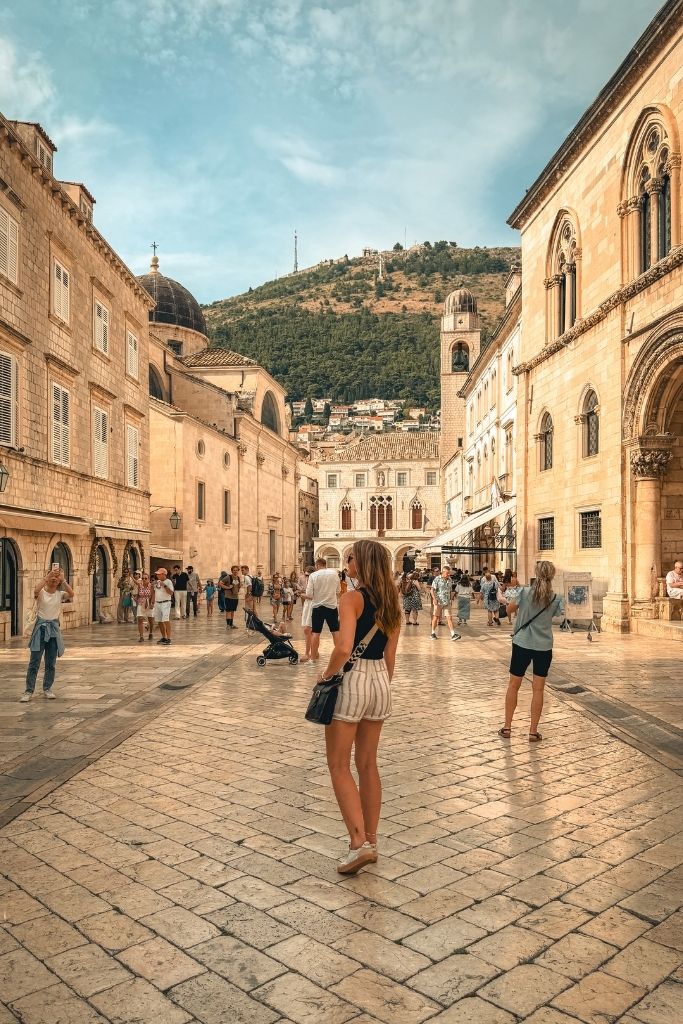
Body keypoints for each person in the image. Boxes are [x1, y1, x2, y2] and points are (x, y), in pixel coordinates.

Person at [317, 540, 401, 874]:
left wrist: (326, 675)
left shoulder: (351, 599)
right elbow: (390, 655)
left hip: (353, 679)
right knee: (367, 764)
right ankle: (371, 840)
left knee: (338, 764)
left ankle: (357, 843)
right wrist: (380, 686)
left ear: (360, 563)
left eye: (350, 557)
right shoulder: (392, 601)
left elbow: (343, 648)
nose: (347, 562)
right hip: (380, 679)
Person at [499, 560, 564, 743]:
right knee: (538, 689)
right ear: (552, 576)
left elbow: (509, 609)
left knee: (514, 685)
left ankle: (507, 727)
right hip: (544, 646)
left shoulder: (525, 592)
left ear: (536, 574)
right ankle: (533, 732)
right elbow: (556, 614)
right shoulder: (555, 598)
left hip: (522, 643)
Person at [21, 567, 74, 701]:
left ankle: (47, 689)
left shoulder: (60, 594)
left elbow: (71, 594)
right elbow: (35, 591)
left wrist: (64, 580)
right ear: (48, 577)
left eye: (57, 576)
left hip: (53, 630)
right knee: (34, 662)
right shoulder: (41, 593)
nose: (54, 578)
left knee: (51, 662)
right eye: (52, 576)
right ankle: (28, 691)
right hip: (40, 629)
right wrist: (47, 576)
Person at [307, 557, 341, 662]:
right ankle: (339, 656)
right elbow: (338, 590)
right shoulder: (334, 574)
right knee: (335, 631)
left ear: (317, 565)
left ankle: (313, 658)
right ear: (325, 564)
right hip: (331, 607)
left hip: (318, 607)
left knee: (316, 633)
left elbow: (309, 594)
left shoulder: (313, 575)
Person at [430, 567, 460, 640]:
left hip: (447, 602)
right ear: (443, 572)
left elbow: (450, 590)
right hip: (438, 602)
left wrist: (451, 599)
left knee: (449, 617)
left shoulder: (449, 579)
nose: (448, 574)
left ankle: (453, 634)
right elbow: (432, 590)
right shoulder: (437, 579)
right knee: (436, 617)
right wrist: (434, 599)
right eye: (447, 573)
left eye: (449, 573)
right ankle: (432, 633)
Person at [153, 567, 174, 644]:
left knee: (165, 620)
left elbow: (171, 593)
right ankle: (164, 637)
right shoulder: (157, 582)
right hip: (157, 603)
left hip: (165, 603)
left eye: (159, 574)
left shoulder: (168, 582)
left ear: (163, 574)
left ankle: (169, 638)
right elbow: (154, 592)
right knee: (159, 621)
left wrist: (164, 585)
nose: (157, 575)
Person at [133, 570, 155, 642]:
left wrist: (152, 603)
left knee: (150, 620)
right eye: (143, 578)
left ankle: (151, 633)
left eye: (146, 578)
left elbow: (153, 595)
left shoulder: (151, 586)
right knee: (140, 619)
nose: (144, 579)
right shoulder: (140, 585)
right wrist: (136, 598)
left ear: (148, 579)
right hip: (141, 603)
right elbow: (139, 594)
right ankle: (141, 636)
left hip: (149, 603)